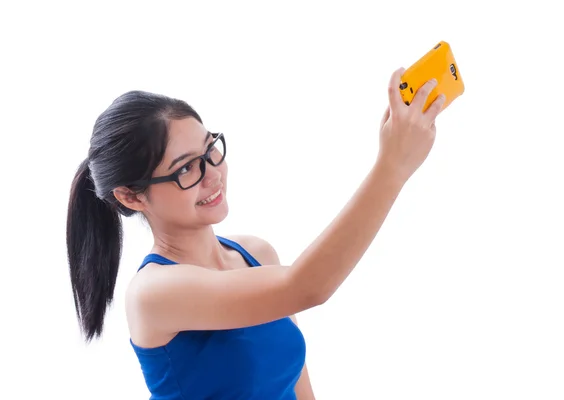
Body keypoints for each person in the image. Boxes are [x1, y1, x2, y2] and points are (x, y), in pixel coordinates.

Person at [66, 66, 445, 399]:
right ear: (131, 196)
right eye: (185, 169)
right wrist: (393, 167)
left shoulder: (256, 254)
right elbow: (308, 287)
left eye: (210, 149)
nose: (213, 174)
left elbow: (299, 388)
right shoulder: (152, 293)